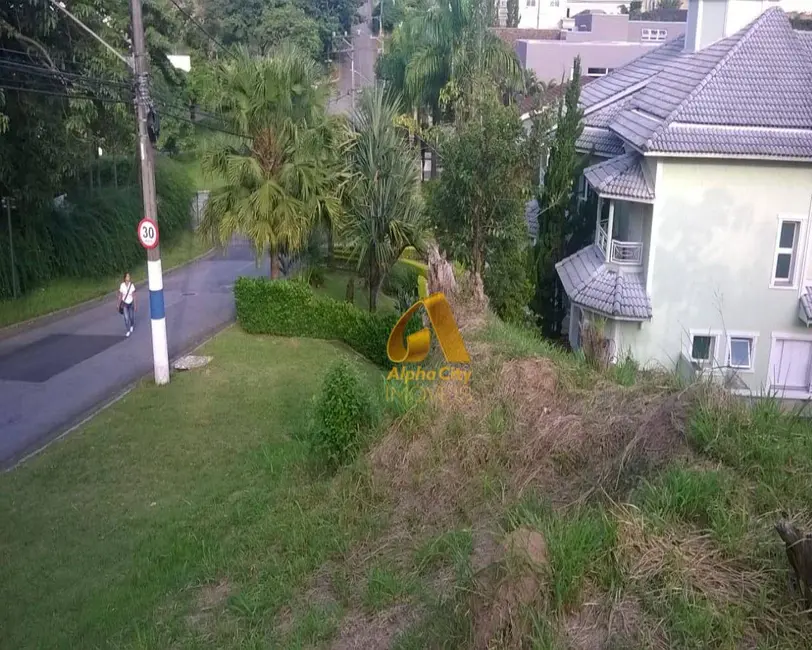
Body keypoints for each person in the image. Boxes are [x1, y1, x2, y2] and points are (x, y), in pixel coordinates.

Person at [118, 272, 136, 337]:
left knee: (131, 317)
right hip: (124, 303)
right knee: (126, 318)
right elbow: (120, 295)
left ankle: (131, 325)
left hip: (131, 303)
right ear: (125, 278)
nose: (129, 277)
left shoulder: (132, 285)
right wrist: (118, 304)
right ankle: (128, 330)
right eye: (127, 276)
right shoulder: (122, 285)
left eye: (129, 276)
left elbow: (134, 295)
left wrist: (135, 305)